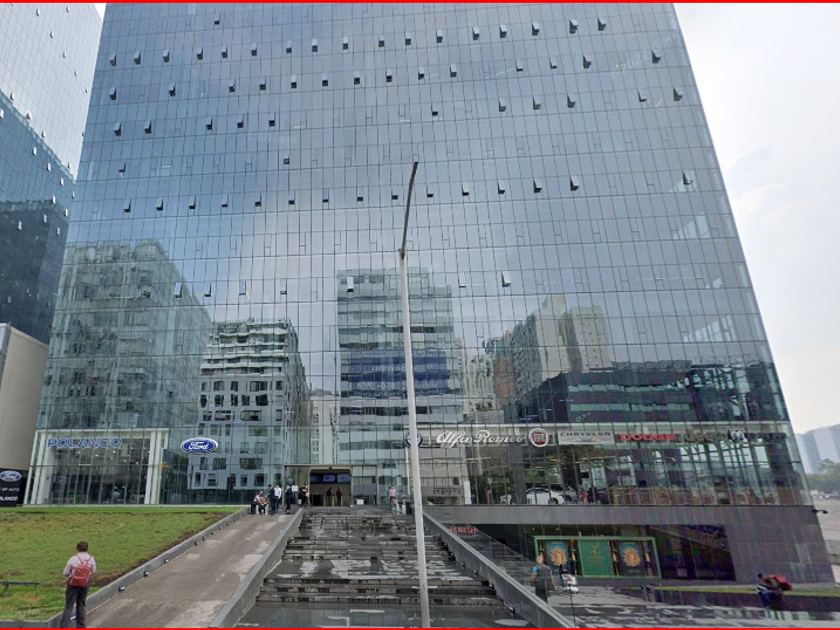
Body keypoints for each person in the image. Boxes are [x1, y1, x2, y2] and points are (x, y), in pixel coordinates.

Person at [60, 541, 97, 628]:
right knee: (81, 604)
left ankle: (64, 626)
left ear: (77, 548)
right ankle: (81, 625)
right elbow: (94, 571)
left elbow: (65, 572)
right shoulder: (91, 559)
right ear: (87, 548)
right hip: (85, 583)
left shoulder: (73, 559)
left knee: (69, 606)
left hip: (73, 583)